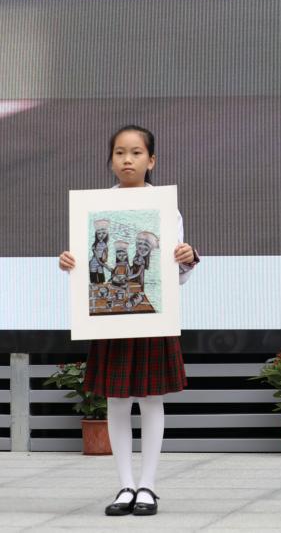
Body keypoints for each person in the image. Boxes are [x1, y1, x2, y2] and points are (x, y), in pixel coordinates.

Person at [58, 125, 200, 517]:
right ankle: (125, 485)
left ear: (151, 160)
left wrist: (186, 258)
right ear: (111, 160)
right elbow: (88, 267)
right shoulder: (96, 207)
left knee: (152, 401)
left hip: (152, 318)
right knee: (117, 400)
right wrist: (69, 262)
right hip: (110, 319)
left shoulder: (166, 208)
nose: (127, 160)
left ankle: (148, 486)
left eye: (136, 153)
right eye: (120, 152)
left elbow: (176, 276)